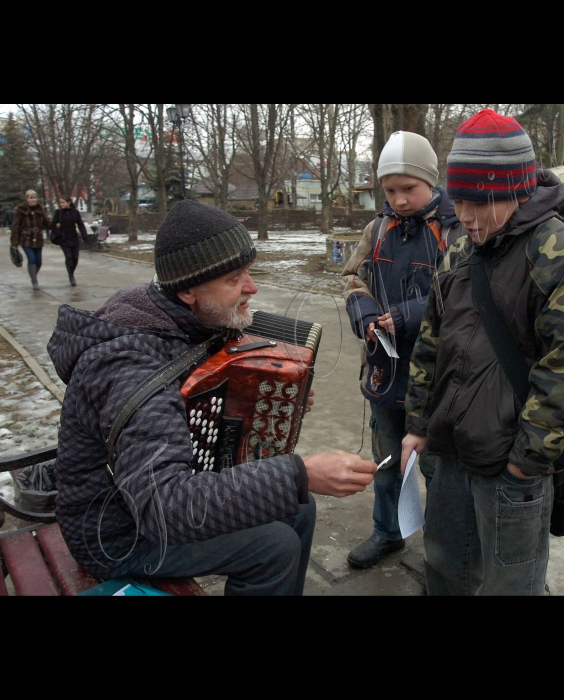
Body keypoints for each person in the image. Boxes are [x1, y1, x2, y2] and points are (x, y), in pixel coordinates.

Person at [47, 200, 377, 596]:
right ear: (187, 288)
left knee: (298, 505)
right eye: (234, 278)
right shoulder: (128, 364)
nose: (252, 288)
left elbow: (194, 399)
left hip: (137, 504)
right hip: (115, 532)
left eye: (248, 273)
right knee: (273, 545)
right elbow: (164, 508)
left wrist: (263, 403)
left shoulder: (178, 316)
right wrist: (299, 472)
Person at [402, 109, 564, 596]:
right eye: (461, 200)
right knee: (443, 570)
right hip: (450, 454)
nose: (468, 217)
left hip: (509, 469)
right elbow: (431, 342)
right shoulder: (460, 251)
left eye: (484, 202)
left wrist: (526, 459)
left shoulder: (563, 259)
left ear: (519, 188)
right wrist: (418, 423)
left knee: (510, 585)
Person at [341, 131, 460, 570]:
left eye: (409, 188)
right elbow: (353, 277)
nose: (400, 199)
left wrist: (411, 313)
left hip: (437, 381)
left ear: (432, 180)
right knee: (386, 461)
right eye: (390, 190)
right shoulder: (378, 228)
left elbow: (465, 293)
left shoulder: (454, 230)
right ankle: (387, 533)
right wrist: (366, 314)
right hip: (384, 373)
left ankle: (444, 560)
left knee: (437, 473)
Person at [11, 190, 51, 291]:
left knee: (39, 261)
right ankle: (34, 280)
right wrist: (14, 243)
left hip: (38, 239)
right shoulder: (21, 210)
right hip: (26, 239)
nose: (33, 200)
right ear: (27, 199)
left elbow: (47, 222)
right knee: (31, 259)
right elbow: (15, 226)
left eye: (34, 197)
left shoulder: (40, 209)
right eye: (31, 198)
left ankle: (34, 275)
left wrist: (57, 226)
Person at [52, 195, 89, 286]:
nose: (61, 204)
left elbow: (80, 225)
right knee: (69, 257)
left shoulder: (75, 212)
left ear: (69, 202)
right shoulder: (58, 213)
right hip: (63, 239)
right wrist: (58, 233)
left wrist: (85, 237)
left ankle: (71, 272)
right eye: (60, 202)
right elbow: (53, 224)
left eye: (63, 202)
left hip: (73, 237)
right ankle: (71, 276)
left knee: (75, 258)